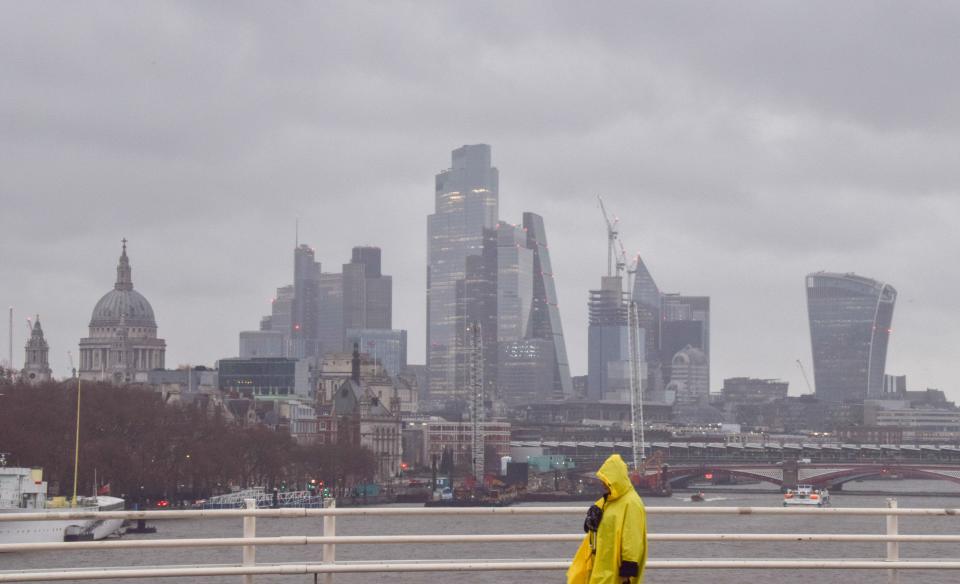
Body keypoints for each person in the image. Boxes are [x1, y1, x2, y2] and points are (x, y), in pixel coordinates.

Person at [567, 454, 647, 584]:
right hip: (602, 562)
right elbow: (595, 522)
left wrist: (628, 568)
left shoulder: (631, 503)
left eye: (606, 480)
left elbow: (632, 537)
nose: (603, 483)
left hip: (615, 568)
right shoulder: (609, 500)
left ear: (615, 479)